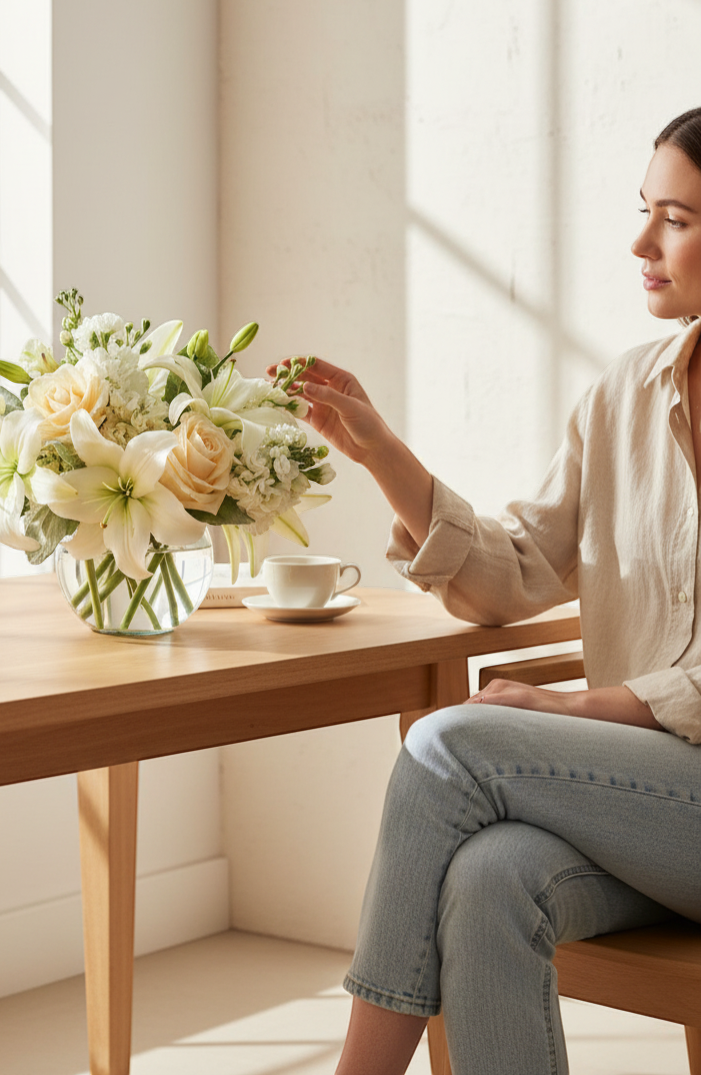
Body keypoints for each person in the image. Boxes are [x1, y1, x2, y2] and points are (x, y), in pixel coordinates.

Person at [274, 107, 701, 1075]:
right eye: (645, 211)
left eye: (673, 219)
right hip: (650, 811)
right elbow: (510, 573)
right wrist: (381, 450)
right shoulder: (621, 397)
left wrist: (569, 704)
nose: (639, 242)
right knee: (487, 876)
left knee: (446, 740)